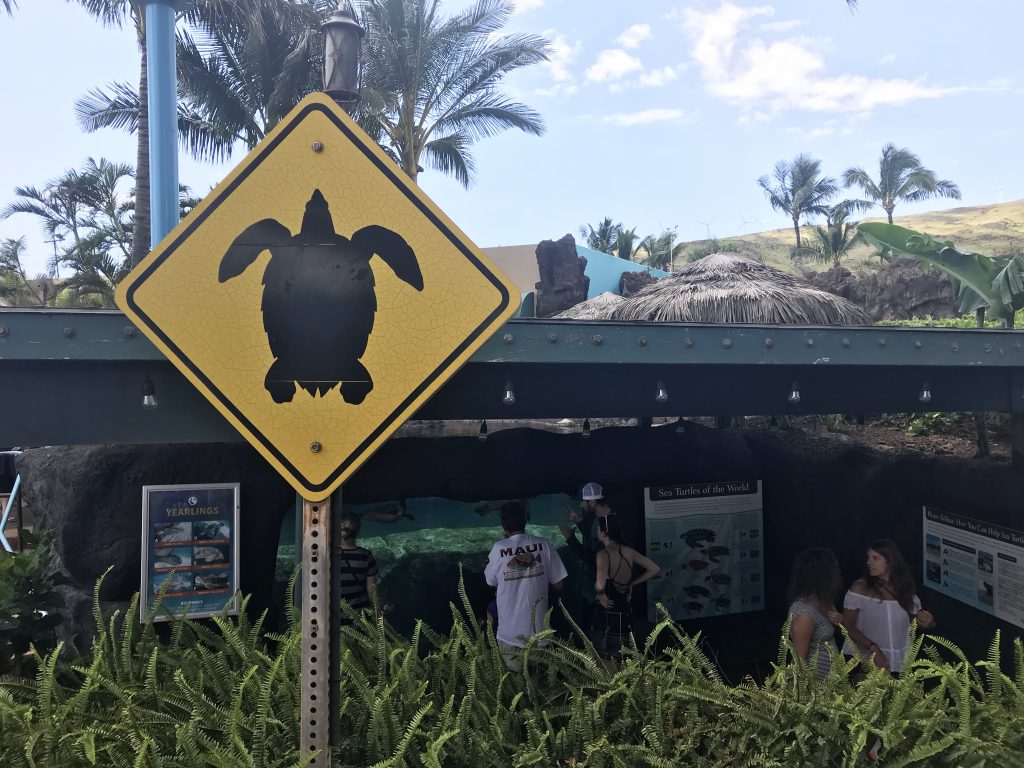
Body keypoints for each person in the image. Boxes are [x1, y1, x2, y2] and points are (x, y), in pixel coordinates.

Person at [485, 501, 568, 670]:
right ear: (525, 520)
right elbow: (559, 584)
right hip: (541, 634)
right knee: (542, 687)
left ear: (503, 525)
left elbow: (490, 581)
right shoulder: (544, 544)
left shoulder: (498, 548)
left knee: (515, 690)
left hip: (510, 636)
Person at [842, 538, 935, 674]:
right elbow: (846, 626)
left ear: (890, 561)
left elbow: (912, 622)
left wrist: (929, 622)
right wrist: (873, 648)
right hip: (866, 661)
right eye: (868, 558)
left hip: (900, 664)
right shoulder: (860, 589)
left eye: (875, 558)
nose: (869, 562)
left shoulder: (905, 590)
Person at [591, 513, 661, 656]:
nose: (597, 531)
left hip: (608, 611)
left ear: (604, 533)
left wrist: (600, 594)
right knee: (624, 653)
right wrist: (633, 583)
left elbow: (599, 584)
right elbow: (655, 569)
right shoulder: (629, 552)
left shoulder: (603, 554)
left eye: (598, 529)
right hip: (625, 608)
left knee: (606, 654)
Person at [787, 548, 844, 681]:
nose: (838, 573)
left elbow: (841, 632)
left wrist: (841, 622)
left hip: (831, 685)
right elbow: (798, 662)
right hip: (815, 689)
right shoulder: (805, 613)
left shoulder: (824, 599)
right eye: (834, 569)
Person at [559, 481, 613, 570]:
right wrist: (579, 522)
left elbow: (594, 560)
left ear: (591, 502)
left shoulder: (607, 524)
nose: (581, 505)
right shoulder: (602, 519)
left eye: (582, 501)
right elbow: (592, 538)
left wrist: (570, 538)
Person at [335, 513, 381, 616]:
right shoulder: (366, 556)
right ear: (358, 531)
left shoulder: (328, 555)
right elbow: (372, 591)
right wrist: (379, 619)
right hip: (360, 619)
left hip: (332, 618)